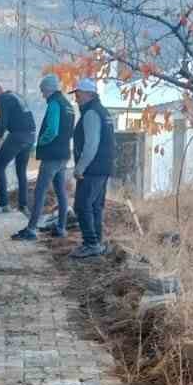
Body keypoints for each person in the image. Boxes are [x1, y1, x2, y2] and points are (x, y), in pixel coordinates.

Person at [13, 73, 76, 241]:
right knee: (61, 192)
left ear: (49, 89)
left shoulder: (55, 104)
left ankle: (31, 229)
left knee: (40, 191)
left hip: (52, 155)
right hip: (63, 155)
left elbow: (52, 130)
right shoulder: (68, 105)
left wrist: (39, 144)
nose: (42, 94)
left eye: (43, 91)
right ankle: (61, 227)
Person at [69, 76, 114, 259]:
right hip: (103, 166)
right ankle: (97, 243)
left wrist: (79, 168)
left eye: (78, 94)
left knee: (81, 205)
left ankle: (90, 244)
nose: (76, 98)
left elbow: (91, 145)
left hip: (92, 168)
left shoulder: (91, 114)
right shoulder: (103, 111)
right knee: (95, 206)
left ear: (89, 94)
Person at [0, 79, 35, 212]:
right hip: (30, 136)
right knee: (21, 171)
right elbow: (11, 120)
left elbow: (3, 124)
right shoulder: (15, 96)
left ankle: (4, 205)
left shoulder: (2, 100)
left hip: (18, 136)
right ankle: (23, 206)